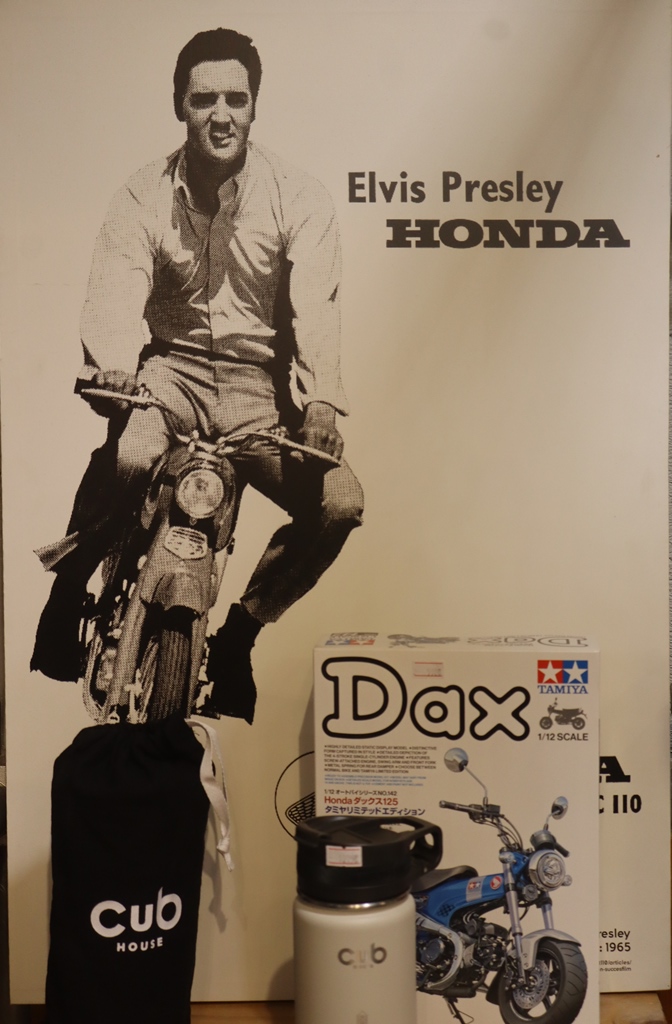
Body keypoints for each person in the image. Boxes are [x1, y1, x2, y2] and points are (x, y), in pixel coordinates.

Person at [31, 28, 364, 723]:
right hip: (170, 372)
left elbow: (318, 307)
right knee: (131, 457)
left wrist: (322, 403)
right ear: (179, 105)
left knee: (340, 503)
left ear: (255, 105)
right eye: (204, 98)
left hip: (257, 390)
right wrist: (114, 365)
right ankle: (67, 591)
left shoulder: (298, 196)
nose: (221, 115)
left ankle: (240, 635)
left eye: (236, 99)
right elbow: (116, 285)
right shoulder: (142, 195)